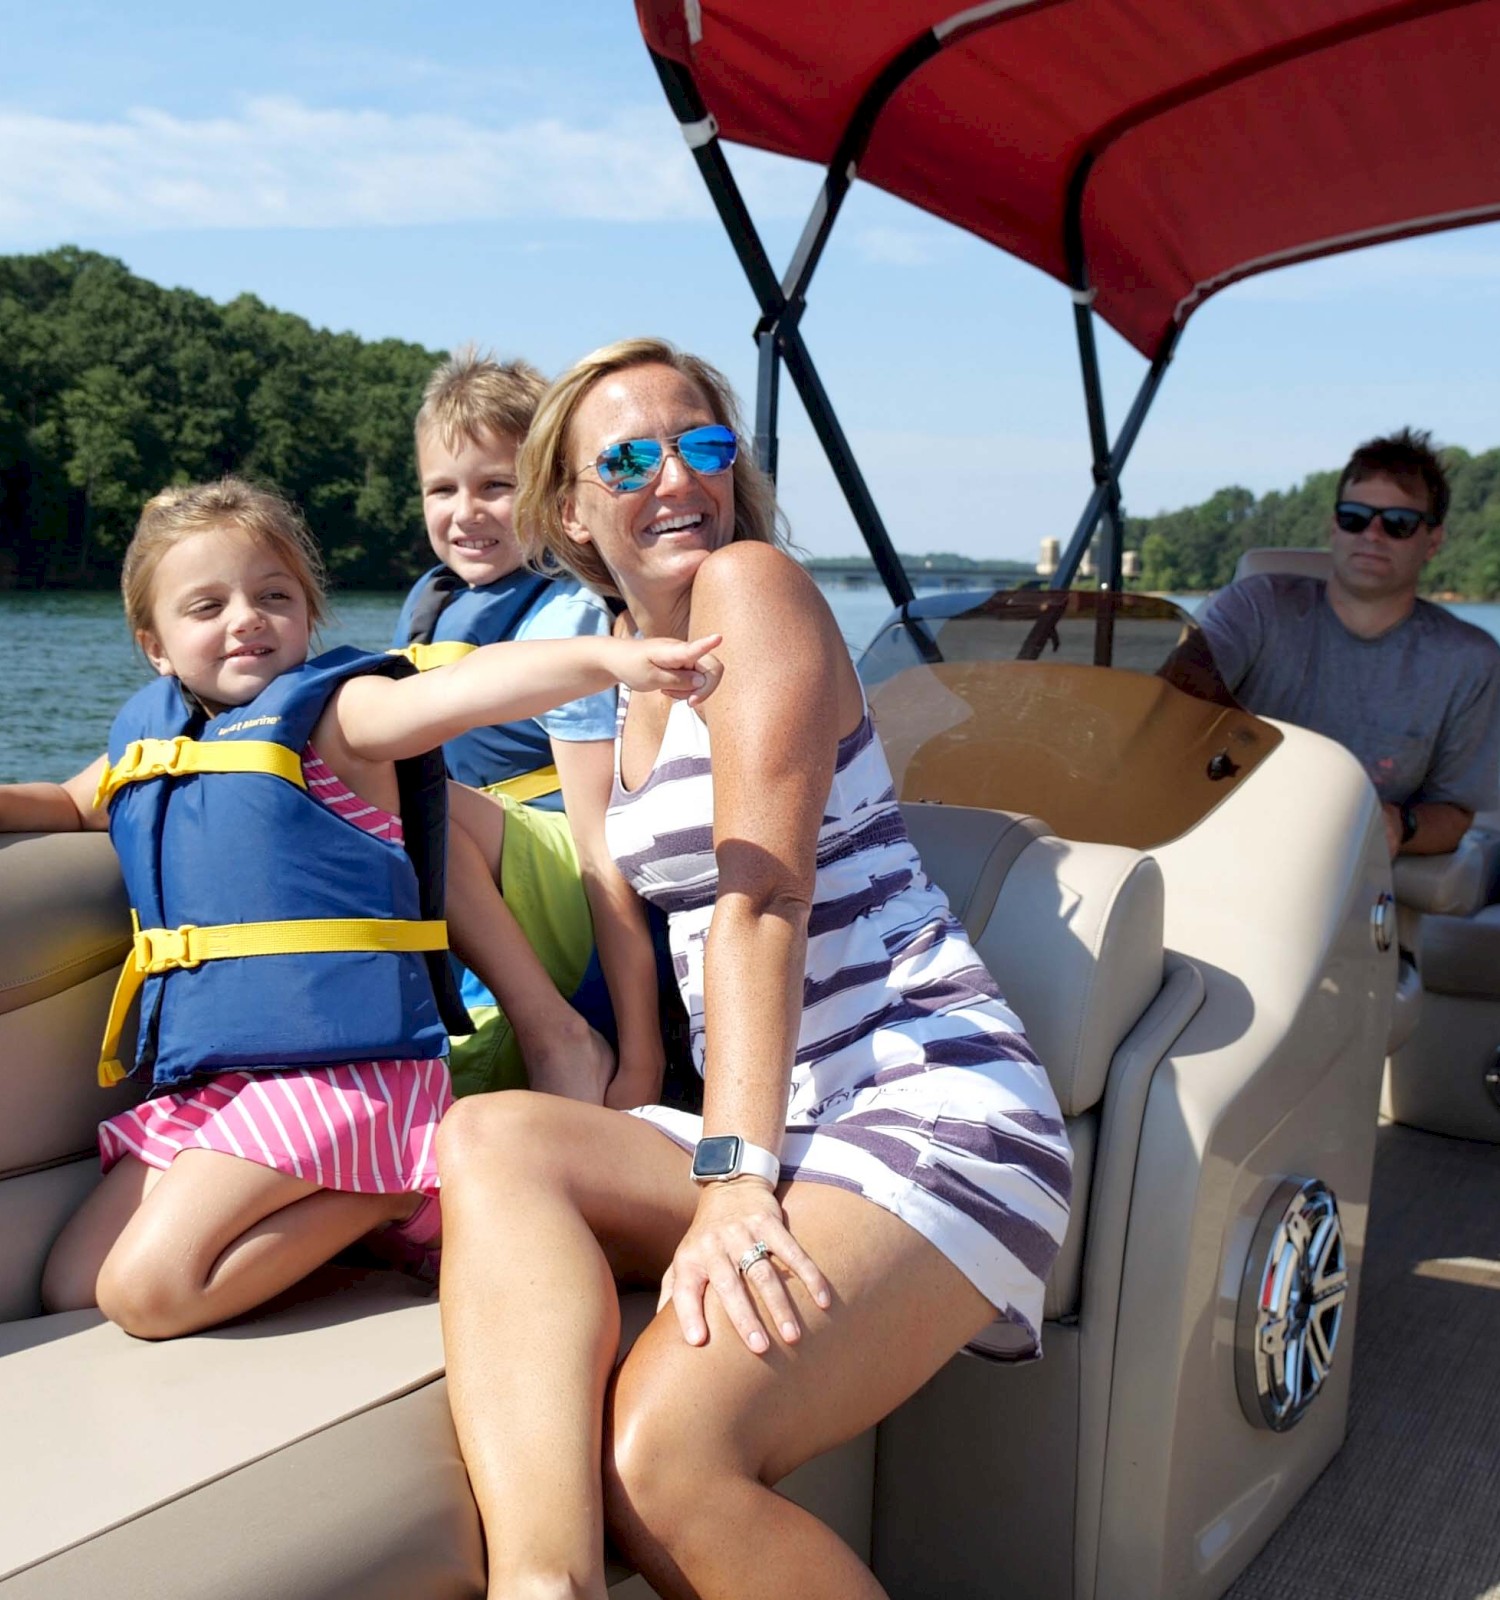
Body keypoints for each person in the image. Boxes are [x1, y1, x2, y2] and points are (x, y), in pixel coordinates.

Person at [435, 339, 1071, 1599]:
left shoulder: (755, 586)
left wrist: (731, 1181)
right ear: (568, 506)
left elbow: (762, 893)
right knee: (492, 1140)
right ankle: (538, 1589)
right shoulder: (615, 675)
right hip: (783, 1116)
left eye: (704, 444)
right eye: (627, 457)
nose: (678, 475)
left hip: (928, 1092)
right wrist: (631, 1074)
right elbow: (620, 888)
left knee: (664, 1458)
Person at [0, 476, 719, 1341]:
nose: (247, 619)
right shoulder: (149, 741)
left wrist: (607, 660)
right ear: (155, 646)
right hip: (221, 1083)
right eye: (207, 605)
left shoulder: (342, 715)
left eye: (275, 596)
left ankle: (391, 1185)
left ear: (308, 615)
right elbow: (65, 803)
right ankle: (360, 1210)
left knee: (147, 1293)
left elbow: (467, 688)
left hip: (348, 1081)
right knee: (74, 1285)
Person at [393, 348, 663, 1104]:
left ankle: (559, 1038)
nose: (464, 512)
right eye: (441, 489)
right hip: (470, 872)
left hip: (569, 889)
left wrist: (640, 1053)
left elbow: (601, 846)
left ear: (548, 496)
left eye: (495, 487)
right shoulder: (434, 604)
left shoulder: (568, 620)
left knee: (415, 803)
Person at [1198, 427, 1500, 857]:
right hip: (1221, 840)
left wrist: (1401, 824)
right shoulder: (1254, 607)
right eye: (1355, 517)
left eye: (1398, 524)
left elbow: (1455, 815)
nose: (1372, 534)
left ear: (1433, 541)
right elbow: (1176, 701)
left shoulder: (1470, 660)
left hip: (1348, 874)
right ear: (1334, 528)